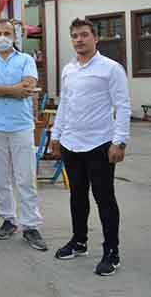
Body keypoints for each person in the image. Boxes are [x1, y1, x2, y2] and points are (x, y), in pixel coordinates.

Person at [51, 18, 131, 276]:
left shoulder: (111, 69)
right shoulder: (68, 70)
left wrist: (119, 141)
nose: (79, 40)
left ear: (95, 38)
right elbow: (64, 105)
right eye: (74, 35)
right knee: (77, 196)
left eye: (84, 35)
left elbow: (123, 105)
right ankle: (79, 241)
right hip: (71, 143)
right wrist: (56, 135)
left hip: (100, 144)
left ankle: (112, 251)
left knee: (104, 198)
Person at [0, 18, 47, 251]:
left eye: (7, 33)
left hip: (21, 126)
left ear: (15, 37)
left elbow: (27, 87)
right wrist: (11, 91)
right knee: (1, 178)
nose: (3, 37)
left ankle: (31, 225)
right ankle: (8, 219)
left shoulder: (26, 60)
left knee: (25, 178)